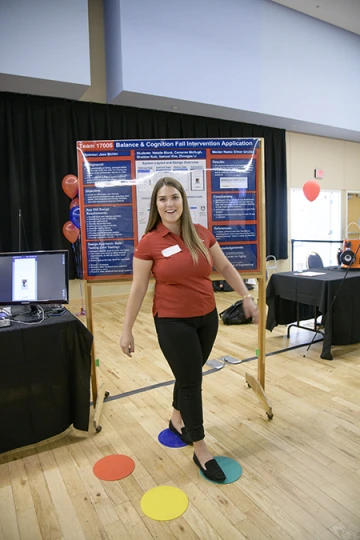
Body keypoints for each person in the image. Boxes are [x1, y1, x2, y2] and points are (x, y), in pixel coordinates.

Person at [120, 177, 259, 482]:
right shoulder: (149, 242)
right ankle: (200, 447)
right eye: (162, 199)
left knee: (188, 373)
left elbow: (224, 267)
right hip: (172, 321)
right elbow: (139, 287)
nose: (169, 204)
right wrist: (126, 329)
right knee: (191, 382)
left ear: (183, 200)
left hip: (207, 319)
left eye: (174, 197)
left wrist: (246, 297)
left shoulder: (200, 234)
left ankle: (176, 419)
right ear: (155, 206)